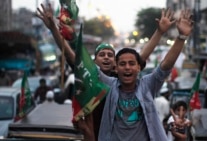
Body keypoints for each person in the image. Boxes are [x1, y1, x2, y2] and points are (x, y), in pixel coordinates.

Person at [36, 3, 178, 141]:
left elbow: (146, 59)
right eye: (102, 54)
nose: (106, 58)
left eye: (110, 55)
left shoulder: (136, 82)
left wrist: (161, 32)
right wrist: (55, 29)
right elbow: (74, 58)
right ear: (94, 62)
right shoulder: (94, 80)